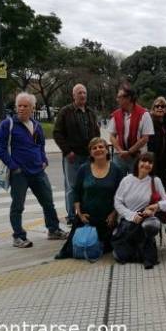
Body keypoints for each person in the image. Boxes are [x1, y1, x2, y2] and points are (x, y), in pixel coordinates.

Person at [0, 92, 67, 248]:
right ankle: (18, 236)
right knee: (18, 206)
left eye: (25, 106)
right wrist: (14, 167)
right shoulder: (7, 125)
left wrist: (44, 159)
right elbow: (1, 150)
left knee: (48, 202)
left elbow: (41, 145)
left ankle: (53, 230)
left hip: (38, 171)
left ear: (32, 108)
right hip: (20, 174)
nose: (21, 109)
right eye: (19, 105)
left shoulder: (36, 125)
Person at [55, 137, 124, 259]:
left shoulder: (116, 170)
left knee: (104, 249)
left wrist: (114, 214)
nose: (98, 150)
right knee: (74, 250)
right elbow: (76, 192)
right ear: (90, 152)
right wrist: (80, 214)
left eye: (101, 147)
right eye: (94, 148)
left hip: (107, 219)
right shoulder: (84, 169)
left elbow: (121, 195)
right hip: (87, 218)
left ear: (107, 150)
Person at [53, 83, 100, 225]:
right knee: (72, 187)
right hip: (72, 157)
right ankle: (72, 216)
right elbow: (57, 133)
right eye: (79, 93)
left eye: (84, 93)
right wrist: (67, 151)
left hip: (88, 156)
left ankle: (84, 212)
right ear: (73, 95)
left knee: (88, 185)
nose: (82, 95)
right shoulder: (65, 112)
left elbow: (96, 133)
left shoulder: (90, 112)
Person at [113, 152, 166, 269]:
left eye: (150, 162)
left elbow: (165, 201)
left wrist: (152, 210)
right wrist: (131, 215)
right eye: (144, 161)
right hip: (128, 219)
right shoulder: (126, 180)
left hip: (147, 218)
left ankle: (146, 257)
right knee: (122, 255)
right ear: (137, 162)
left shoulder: (155, 181)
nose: (146, 164)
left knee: (148, 226)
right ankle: (143, 254)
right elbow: (117, 202)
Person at [108, 84, 154, 175]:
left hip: (138, 156)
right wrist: (121, 151)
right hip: (120, 157)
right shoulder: (116, 115)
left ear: (128, 98)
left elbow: (145, 138)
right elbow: (111, 136)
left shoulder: (144, 114)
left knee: (137, 184)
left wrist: (129, 152)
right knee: (119, 184)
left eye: (119, 97)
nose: (117, 100)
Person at [147, 97, 166, 188]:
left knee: (162, 186)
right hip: (151, 159)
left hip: (164, 160)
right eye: (157, 106)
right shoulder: (148, 121)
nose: (160, 108)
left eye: (163, 106)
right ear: (153, 108)